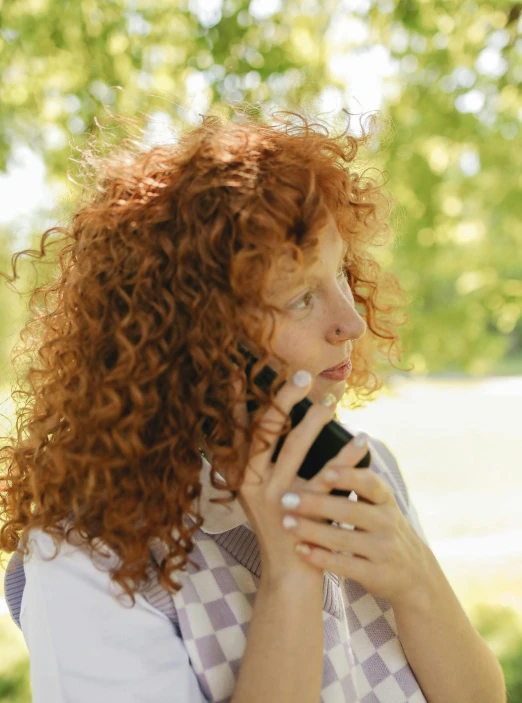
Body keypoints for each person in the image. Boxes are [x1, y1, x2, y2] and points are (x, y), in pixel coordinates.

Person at [1, 111, 506, 703]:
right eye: (300, 297)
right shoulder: (90, 565)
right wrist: (290, 578)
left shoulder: (367, 473)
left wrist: (418, 583)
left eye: (339, 270)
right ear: (198, 339)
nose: (350, 321)